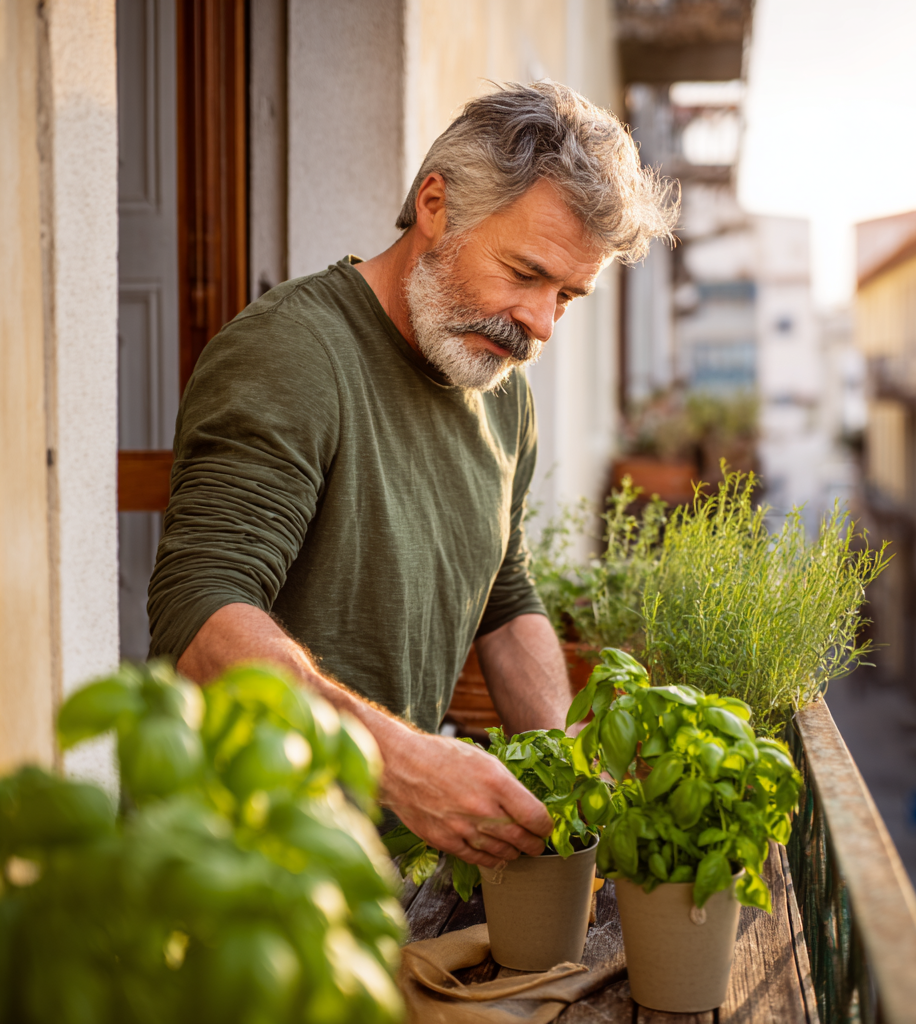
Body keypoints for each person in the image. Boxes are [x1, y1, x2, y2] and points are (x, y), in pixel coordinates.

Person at [148, 81, 677, 869]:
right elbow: (199, 614)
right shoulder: (295, 354)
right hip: (237, 870)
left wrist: (571, 780)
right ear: (436, 204)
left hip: (390, 870)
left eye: (568, 295)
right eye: (526, 272)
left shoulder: (503, 397)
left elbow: (505, 592)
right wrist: (401, 762)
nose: (540, 323)